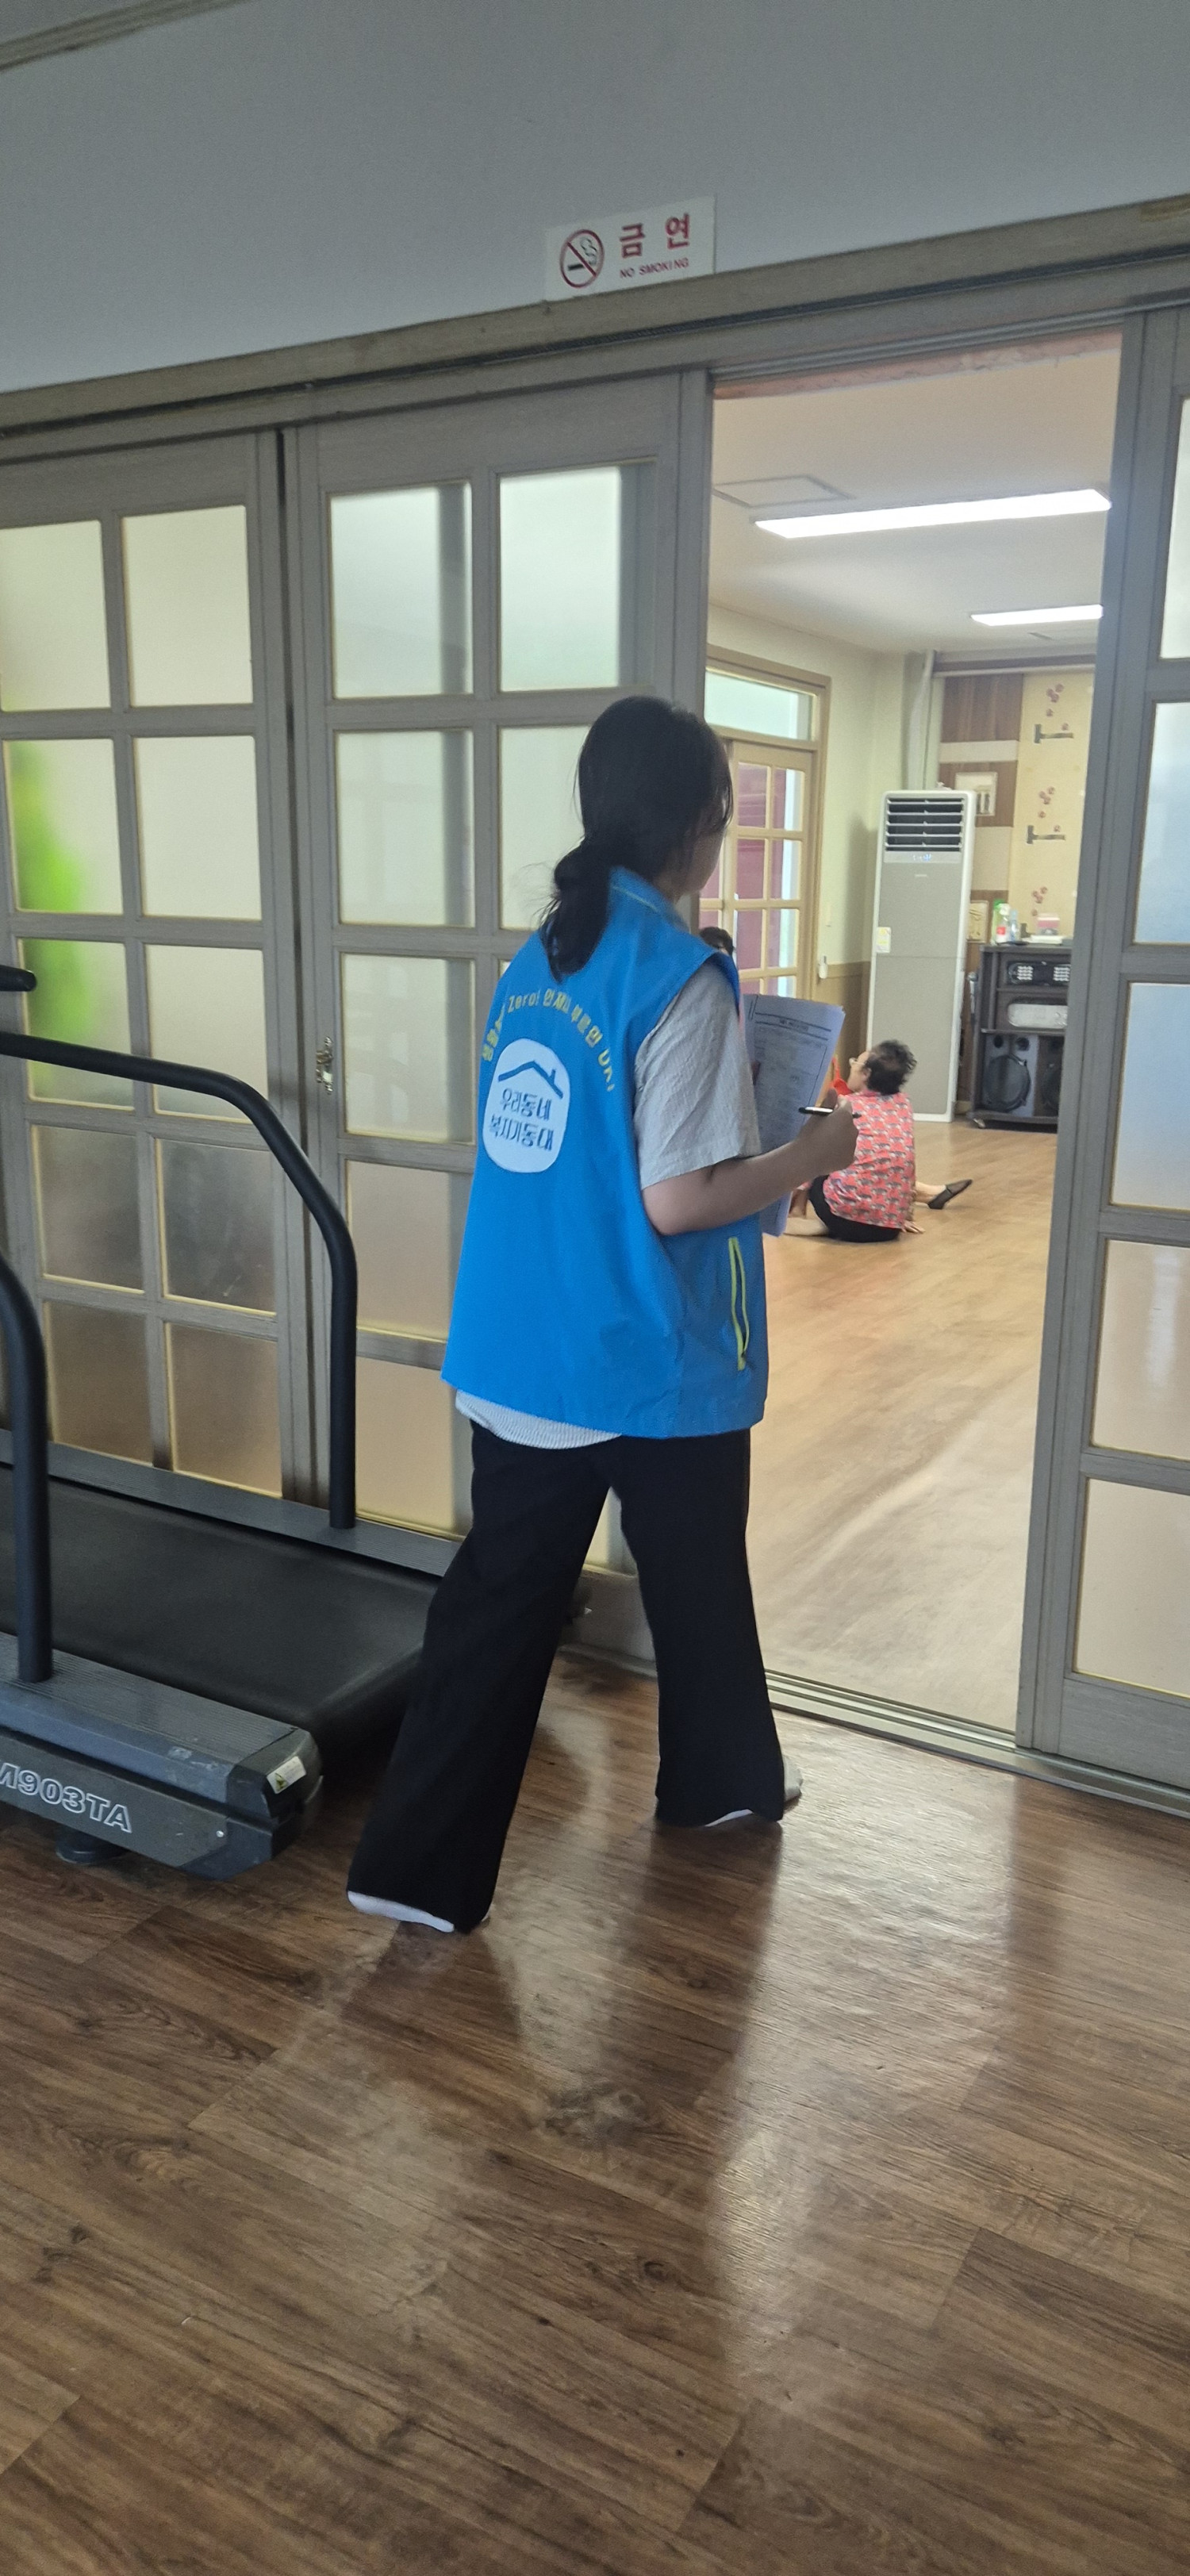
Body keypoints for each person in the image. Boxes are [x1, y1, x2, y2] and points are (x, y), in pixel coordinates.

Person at [347, 694, 858, 1934]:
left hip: (519, 1342)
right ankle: (717, 1785)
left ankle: (413, 1869)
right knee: (697, 1574)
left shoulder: (545, 956)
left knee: (497, 1605)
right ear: (697, 824)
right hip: (637, 1354)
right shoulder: (677, 979)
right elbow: (680, 1199)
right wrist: (812, 1152)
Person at [792, 1041, 971, 1242]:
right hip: (889, 1228)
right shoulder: (903, 1104)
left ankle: (796, 1212)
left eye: (855, 1062)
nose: (852, 1066)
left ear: (866, 1074)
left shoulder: (846, 1106)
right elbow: (907, 1163)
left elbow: (815, 1157)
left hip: (844, 1220)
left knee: (817, 1154)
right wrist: (903, 1214)